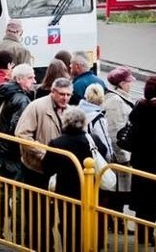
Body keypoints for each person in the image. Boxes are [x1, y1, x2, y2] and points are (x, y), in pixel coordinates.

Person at [15, 76, 72, 251]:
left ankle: (49, 244)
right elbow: (22, 134)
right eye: (61, 94)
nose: (65, 98)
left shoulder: (70, 110)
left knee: (56, 213)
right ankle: (38, 245)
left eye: (69, 95)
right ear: (53, 92)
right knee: (36, 213)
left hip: (57, 171)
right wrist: (43, 153)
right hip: (36, 168)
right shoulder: (37, 107)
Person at [43, 106, 108, 252]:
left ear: (65, 122)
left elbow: (47, 167)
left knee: (67, 224)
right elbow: (105, 154)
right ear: (84, 122)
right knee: (90, 222)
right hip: (91, 191)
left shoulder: (57, 143)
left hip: (66, 192)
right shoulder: (93, 140)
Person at [0, 63, 35, 239]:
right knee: (19, 195)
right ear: (19, 79)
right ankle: (20, 234)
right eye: (30, 77)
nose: (33, 81)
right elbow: (18, 128)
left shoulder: (2, 91)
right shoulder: (21, 99)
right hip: (13, 152)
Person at [128, 76, 156, 242]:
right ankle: (148, 234)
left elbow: (132, 121)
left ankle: (140, 233)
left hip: (139, 158)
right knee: (152, 199)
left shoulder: (139, 107)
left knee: (140, 197)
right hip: (155, 161)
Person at [102, 66, 135, 231]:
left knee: (119, 191)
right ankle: (115, 223)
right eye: (128, 82)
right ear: (121, 84)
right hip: (119, 156)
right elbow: (115, 130)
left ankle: (117, 221)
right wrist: (123, 157)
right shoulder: (115, 101)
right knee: (117, 191)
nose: (130, 85)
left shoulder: (117, 98)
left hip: (120, 154)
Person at [79, 83, 113, 161]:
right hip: (91, 160)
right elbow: (105, 141)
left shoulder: (76, 112)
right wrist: (110, 158)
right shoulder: (98, 118)